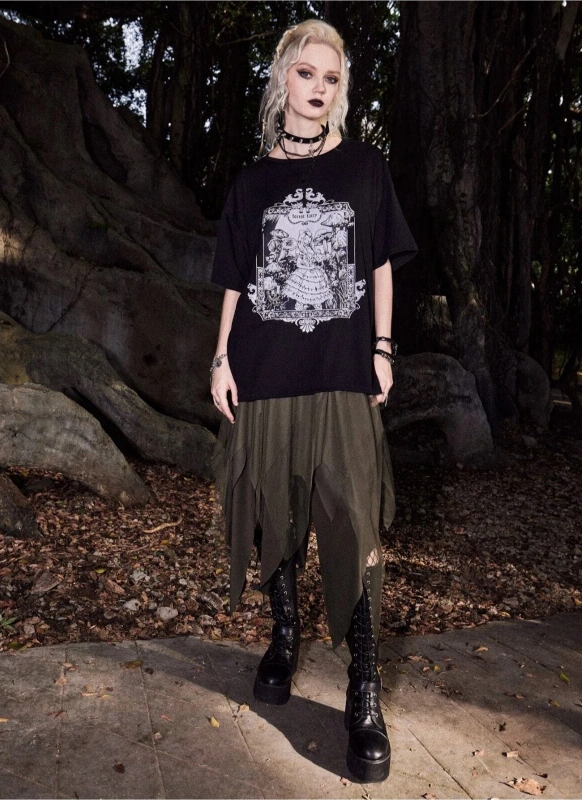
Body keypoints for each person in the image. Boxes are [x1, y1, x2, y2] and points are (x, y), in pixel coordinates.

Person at [209, 18, 418, 783]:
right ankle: (285, 634)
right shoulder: (250, 183)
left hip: (341, 371)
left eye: (332, 78)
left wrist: (383, 349)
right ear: (282, 79)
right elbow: (235, 278)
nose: (319, 88)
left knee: (353, 519)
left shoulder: (365, 167)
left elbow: (381, 264)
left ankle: (363, 690)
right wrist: (221, 357)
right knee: (277, 514)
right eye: (307, 73)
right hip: (265, 371)